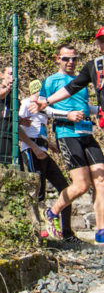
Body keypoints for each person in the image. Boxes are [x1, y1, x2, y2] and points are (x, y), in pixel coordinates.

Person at [33, 40, 104, 246]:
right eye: (66, 58)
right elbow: (44, 108)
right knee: (81, 185)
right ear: (58, 59)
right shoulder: (51, 81)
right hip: (66, 133)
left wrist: (96, 110)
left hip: (87, 133)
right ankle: (52, 212)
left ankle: (101, 229)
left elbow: (84, 106)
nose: (71, 62)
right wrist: (67, 114)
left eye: (74, 58)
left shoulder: (81, 80)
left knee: (100, 179)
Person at [19, 78, 80, 246]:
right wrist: (34, 147)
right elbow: (18, 129)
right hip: (31, 150)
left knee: (65, 189)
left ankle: (66, 233)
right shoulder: (25, 104)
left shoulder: (44, 106)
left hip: (44, 150)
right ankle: (37, 233)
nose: (38, 95)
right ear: (31, 92)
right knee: (37, 192)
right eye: (36, 92)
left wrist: (48, 144)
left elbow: (40, 128)